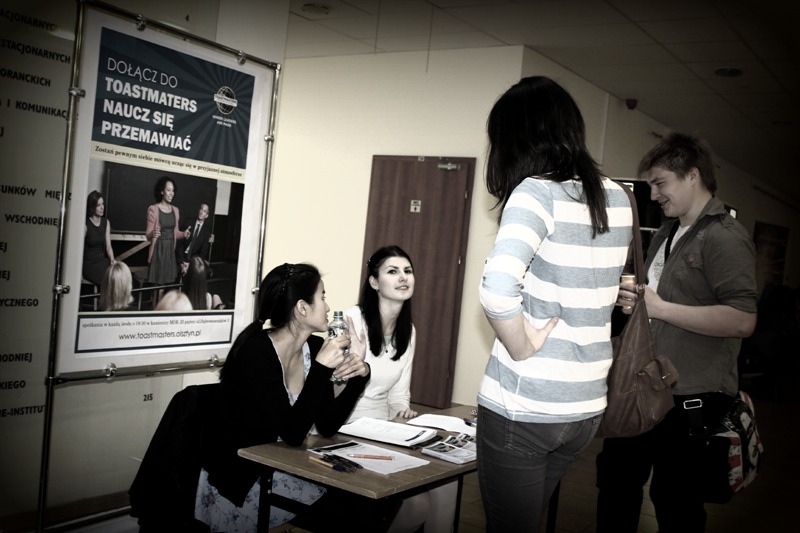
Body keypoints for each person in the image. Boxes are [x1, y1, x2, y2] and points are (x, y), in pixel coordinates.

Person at [476, 76, 633, 532]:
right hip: (585, 406)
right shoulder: (619, 197)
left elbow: (496, 288)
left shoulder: (535, 192)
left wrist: (521, 344)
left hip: (527, 405)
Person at [595, 132, 758, 533]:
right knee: (616, 484)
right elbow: (658, 302)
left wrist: (661, 308)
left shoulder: (724, 236)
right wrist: (637, 304)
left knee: (676, 502)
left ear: (692, 176)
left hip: (691, 398)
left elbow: (743, 319)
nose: (653, 195)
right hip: (642, 385)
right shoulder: (668, 233)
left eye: (660, 183)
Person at [194, 263, 398, 532]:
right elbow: (292, 432)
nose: (327, 307)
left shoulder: (313, 348)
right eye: (322, 297)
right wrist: (321, 369)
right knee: (357, 513)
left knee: (379, 502)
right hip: (248, 477)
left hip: (288, 466)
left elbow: (326, 425)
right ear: (302, 308)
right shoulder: (256, 352)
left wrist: (359, 377)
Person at [343, 245, 460, 533]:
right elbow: (337, 386)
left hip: (383, 428)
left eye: (407, 271)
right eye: (392, 271)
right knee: (417, 504)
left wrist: (402, 412)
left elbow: (398, 394)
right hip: (346, 426)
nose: (403, 277)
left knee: (448, 479)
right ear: (374, 282)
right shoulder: (353, 319)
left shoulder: (409, 331)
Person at [146, 176, 187, 298]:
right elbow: (148, 236)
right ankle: (156, 307)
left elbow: (176, 233)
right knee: (157, 287)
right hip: (158, 250)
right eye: (168, 190)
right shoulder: (153, 209)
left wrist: (184, 234)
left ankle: (161, 307)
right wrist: (153, 233)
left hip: (169, 252)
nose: (171, 193)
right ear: (162, 191)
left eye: (173, 190)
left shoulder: (176, 210)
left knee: (165, 287)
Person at [83, 190, 116, 286]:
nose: (102, 207)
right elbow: (78, 250)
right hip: (89, 264)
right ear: (92, 207)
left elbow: (108, 247)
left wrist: (112, 259)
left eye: (103, 204)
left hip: (102, 261)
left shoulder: (106, 222)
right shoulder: (85, 225)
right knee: (108, 280)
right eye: (98, 205)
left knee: (118, 275)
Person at [179, 203, 213, 275]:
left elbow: (203, 252)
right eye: (201, 209)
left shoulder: (206, 231)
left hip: (194, 259)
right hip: (181, 256)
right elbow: (179, 244)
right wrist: (181, 262)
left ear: (206, 215)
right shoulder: (188, 222)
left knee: (200, 273)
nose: (201, 212)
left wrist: (191, 264)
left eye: (204, 211)